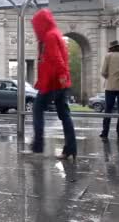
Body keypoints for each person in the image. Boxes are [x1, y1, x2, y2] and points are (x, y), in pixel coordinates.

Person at [30, 9, 77, 160]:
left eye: (36, 25)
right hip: (57, 81)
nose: (35, 29)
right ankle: (71, 148)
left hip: (52, 82)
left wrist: (62, 76)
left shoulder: (49, 36)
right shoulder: (54, 33)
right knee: (64, 114)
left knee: (37, 109)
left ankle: (38, 146)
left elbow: (56, 59)